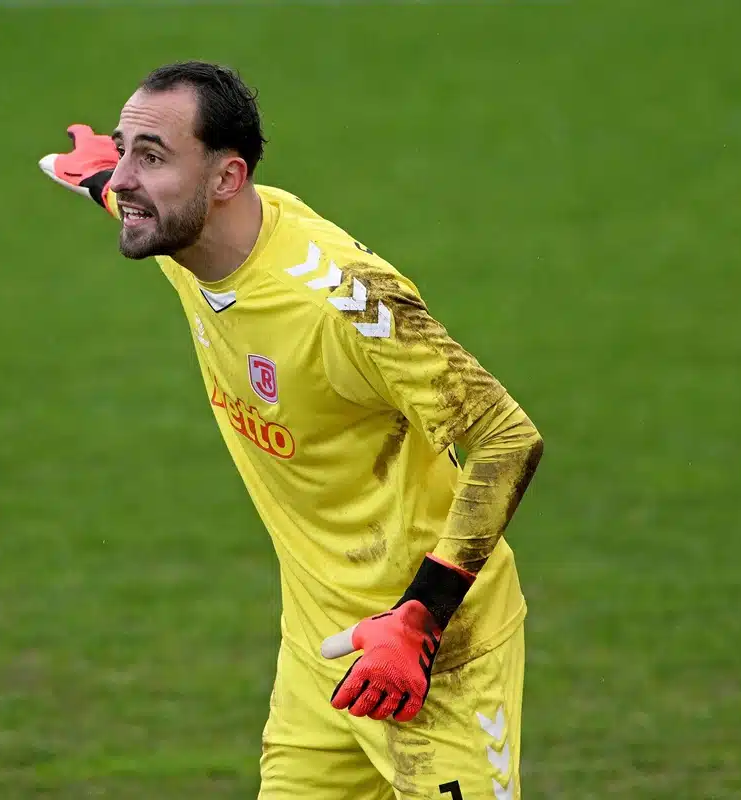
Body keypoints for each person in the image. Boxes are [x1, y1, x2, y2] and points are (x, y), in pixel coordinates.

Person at [38, 61, 543, 800]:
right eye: (122, 151)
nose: (123, 181)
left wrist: (419, 621)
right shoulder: (188, 237)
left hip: (433, 662)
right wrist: (97, 177)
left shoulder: (347, 303)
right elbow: (132, 200)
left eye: (150, 158)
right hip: (320, 659)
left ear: (226, 179)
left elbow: (505, 437)